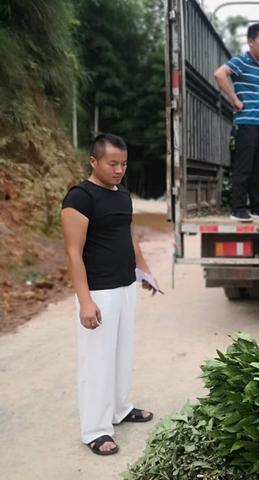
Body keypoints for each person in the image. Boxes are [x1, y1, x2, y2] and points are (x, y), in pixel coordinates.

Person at [61, 133, 158, 455]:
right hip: (99, 291)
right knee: (96, 362)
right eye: (112, 163)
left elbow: (128, 235)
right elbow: (73, 253)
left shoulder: (122, 195)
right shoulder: (79, 198)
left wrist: (142, 271)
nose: (119, 170)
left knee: (121, 354)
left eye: (124, 164)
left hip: (124, 286)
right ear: (94, 161)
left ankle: (119, 409)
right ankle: (95, 429)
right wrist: (85, 300)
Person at [214, 23, 259, 223]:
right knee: (244, 166)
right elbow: (219, 74)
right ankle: (238, 208)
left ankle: (256, 206)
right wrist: (234, 99)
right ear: (250, 42)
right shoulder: (241, 60)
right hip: (247, 122)